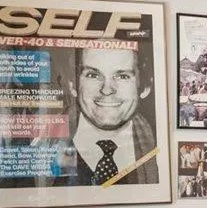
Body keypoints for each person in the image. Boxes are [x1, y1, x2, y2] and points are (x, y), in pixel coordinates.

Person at [63, 45, 158, 185]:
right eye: (93, 75)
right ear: (72, 84)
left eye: (122, 76)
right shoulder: (38, 144)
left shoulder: (161, 145)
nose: (107, 90)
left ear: (145, 87)